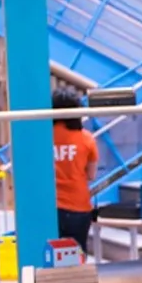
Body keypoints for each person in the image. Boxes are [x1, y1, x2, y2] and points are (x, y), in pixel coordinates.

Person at [52, 89, 99, 256]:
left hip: (51, 206)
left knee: (51, 258)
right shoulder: (87, 139)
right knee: (77, 257)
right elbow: (91, 175)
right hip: (79, 206)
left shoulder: (42, 137)